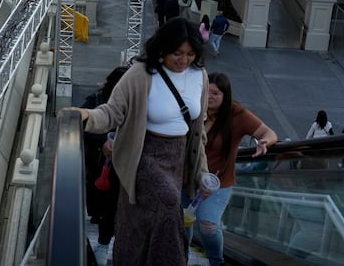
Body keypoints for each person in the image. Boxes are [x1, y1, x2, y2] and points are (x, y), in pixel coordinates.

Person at [64, 17, 209, 265]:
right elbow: (112, 112)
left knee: (142, 223)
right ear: (162, 48)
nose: (184, 60)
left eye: (190, 54)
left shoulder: (200, 76)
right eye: (177, 53)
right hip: (143, 155)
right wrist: (86, 116)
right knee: (168, 203)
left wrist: (201, 171)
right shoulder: (140, 74)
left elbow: (199, 131)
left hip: (176, 158)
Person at [184, 72, 278, 266]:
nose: (209, 97)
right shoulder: (194, 108)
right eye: (207, 91)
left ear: (226, 96)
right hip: (187, 178)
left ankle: (216, 261)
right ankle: (180, 257)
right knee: (181, 222)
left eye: (216, 93)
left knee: (208, 225)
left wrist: (264, 142)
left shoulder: (236, 114)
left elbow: (269, 133)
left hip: (218, 181)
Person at [81, 66, 128, 261]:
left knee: (112, 203)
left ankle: (106, 240)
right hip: (98, 162)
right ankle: (102, 236)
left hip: (123, 165)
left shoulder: (136, 103)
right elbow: (84, 126)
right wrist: (103, 143)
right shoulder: (97, 100)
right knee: (101, 198)